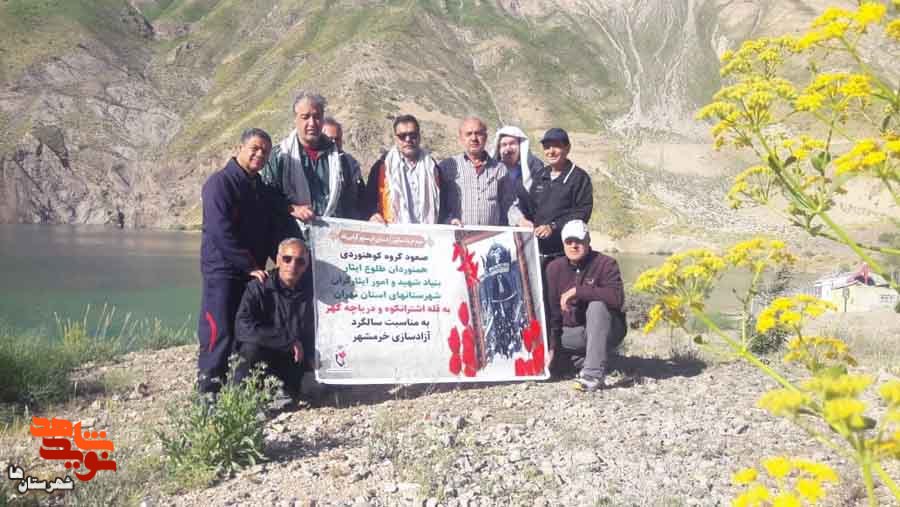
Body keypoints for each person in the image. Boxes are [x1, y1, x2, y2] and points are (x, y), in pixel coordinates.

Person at [197, 128, 278, 395]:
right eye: (255, 148)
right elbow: (220, 231)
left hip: (250, 272)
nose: (260, 154)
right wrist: (250, 265)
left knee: (243, 329)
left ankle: (237, 387)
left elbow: (268, 229)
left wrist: (277, 260)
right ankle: (208, 388)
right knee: (218, 328)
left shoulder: (259, 187)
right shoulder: (219, 183)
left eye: (265, 151)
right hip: (223, 271)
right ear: (239, 148)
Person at [261, 92, 363, 238]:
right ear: (295, 119)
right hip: (292, 240)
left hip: (333, 239)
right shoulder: (279, 156)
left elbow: (352, 204)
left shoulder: (341, 160)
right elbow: (267, 197)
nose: (312, 123)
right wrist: (291, 208)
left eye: (317, 117)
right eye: (305, 117)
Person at [546, 219, 627, 392]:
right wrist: (552, 346)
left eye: (579, 241)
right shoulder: (554, 268)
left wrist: (578, 291)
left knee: (598, 306)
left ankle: (592, 375)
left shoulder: (606, 263)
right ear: (563, 244)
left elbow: (617, 298)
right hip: (572, 334)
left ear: (588, 241)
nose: (573, 246)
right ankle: (591, 360)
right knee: (547, 348)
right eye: (569, 241)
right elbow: (553, 313)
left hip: (606, 329)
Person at [234, 237, 313, 395]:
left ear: (306, 265)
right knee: (250, 348)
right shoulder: (258, 287)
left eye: (300, 261)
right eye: (287, 259)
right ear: (277, 260)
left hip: (294, 359)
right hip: (264, 357)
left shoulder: (314, 292)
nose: (293, 265)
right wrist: (286, 341)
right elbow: (242, 327)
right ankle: (242, 395)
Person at [525, 128, 593, 265]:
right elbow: (530, 208)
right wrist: (525, 222)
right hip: (537, 253)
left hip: (565, 255)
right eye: (547, 147)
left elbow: (582, 212)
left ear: (567, 148)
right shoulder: (540, 175)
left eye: (556, 146)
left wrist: (553, 227)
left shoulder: (579, 177)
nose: (551, 151)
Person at [438, 116, 522, 226]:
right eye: (469, 134)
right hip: (456, 234)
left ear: (485, 137)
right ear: (461, 138)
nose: (474, 138)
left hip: (491, 235)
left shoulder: (499, 169)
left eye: (478, 133)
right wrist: (449, 220)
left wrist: (521, 221)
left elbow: (509, 204)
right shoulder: (447, 167)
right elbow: (438, 204)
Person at [364, 114, 441, 224]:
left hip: (427, 232)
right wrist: (373, 214)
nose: (408, 139)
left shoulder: (432, 167)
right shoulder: (382, 167)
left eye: (412, 135)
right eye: (402, 136)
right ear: (395, 139)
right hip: (393, 231)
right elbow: (368, 202)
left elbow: (443, 203)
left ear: (419, 137)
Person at [322, 116, 363, 187]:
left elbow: (359, 189)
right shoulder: (315, 162)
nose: (334, 142)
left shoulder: (350, 163)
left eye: (337, 139)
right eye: (330, 139)